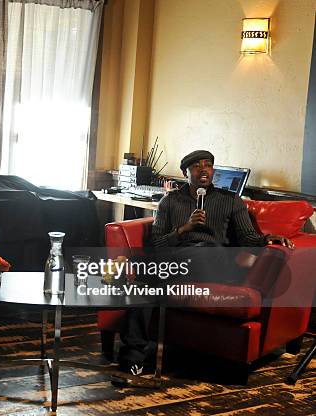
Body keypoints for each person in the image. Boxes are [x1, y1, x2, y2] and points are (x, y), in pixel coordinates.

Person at [118, 149, 293, 375]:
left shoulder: (230, 200)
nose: (204, 169)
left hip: (214, 261)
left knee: (196, 252)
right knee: (146, 285)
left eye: (208, 165)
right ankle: (131, 360)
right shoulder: (169, 202)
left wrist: (268, 239)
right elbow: (158, 244)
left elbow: (247, 238)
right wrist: (184, 229)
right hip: (179, 264)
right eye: (197, 166)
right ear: (185, 172)